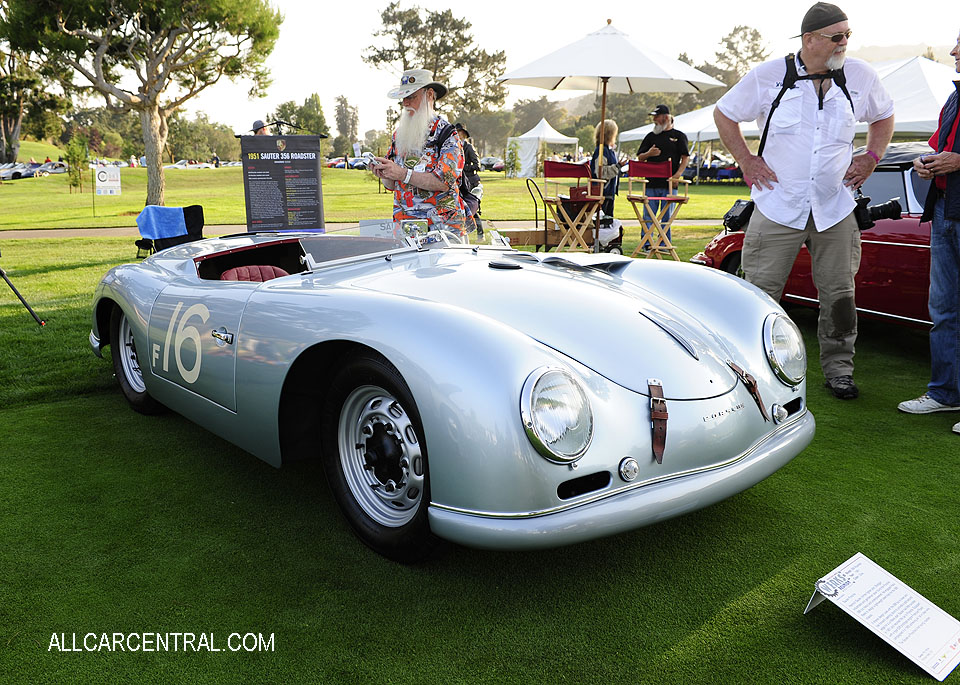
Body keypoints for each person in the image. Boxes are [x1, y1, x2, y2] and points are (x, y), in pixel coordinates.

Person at [713, 2, 894, 400]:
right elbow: (724, 113)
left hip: (835, 206)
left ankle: (839, 371)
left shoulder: (861, 75)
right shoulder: (769, 75)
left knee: (840, 296)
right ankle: (749, 371)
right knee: (758, 294)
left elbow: (884, 116)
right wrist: (745, 159)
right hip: (778, 204)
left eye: (848, 35)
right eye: (836, 37)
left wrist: (872, 157)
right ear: (809, 40)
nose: (844, 43)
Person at [897, 30, 960, 431]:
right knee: (943, 311)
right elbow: (938, 146)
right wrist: (927, 161)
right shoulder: (954, 97)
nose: (954, 51)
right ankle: (945, 394)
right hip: (944, 214)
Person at [371, 68, 467, 233]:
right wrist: (384, 174)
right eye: (403, 98)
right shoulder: (399, 135)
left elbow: (444, 182)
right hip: (405, 228)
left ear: (429, 95)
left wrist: (402, 173)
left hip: (443, 230)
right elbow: (393, 185)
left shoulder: (446, 134)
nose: (405, 103)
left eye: (411, 97)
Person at [636, 105, 689, 243]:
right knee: (649, 214)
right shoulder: (650, 137)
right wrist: (649, 154)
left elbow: (685, 157)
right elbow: (640, 157)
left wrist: (677, 175)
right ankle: (647, 242)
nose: (654, 119)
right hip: (651, 183)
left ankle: (663, 242)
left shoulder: (679, 136)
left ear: (665, 117)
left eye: (656, 116)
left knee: (666, 217)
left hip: (670, 183)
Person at [454, 123, 483, 238]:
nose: (457, 135)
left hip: (470, 182)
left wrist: (462, 167)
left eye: (459, 133)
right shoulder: (453, 147)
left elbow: (477, 165)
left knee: (470, 207)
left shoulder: (468, 147)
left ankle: (480, 233)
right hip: (459, 182)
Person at [591, 119, 619, 218]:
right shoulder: (601, 151)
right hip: (603, 192)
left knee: (608, 221)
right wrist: (618, 167)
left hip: (608, 192)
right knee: (603, 222)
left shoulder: (608, 150)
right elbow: (600, 172)